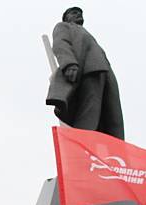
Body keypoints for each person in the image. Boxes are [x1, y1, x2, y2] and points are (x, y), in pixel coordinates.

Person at [46, 6, 125, 140]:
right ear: (66, 17)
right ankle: (83, 140)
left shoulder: (86, 33)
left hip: (106, 72)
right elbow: (60, 44)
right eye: (74, 13)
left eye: (80, 13)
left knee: (113, 115)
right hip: (89, 70)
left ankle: (116, 146)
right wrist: (69, 63)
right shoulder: (64, 27)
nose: (78, 15)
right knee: (90, 110)